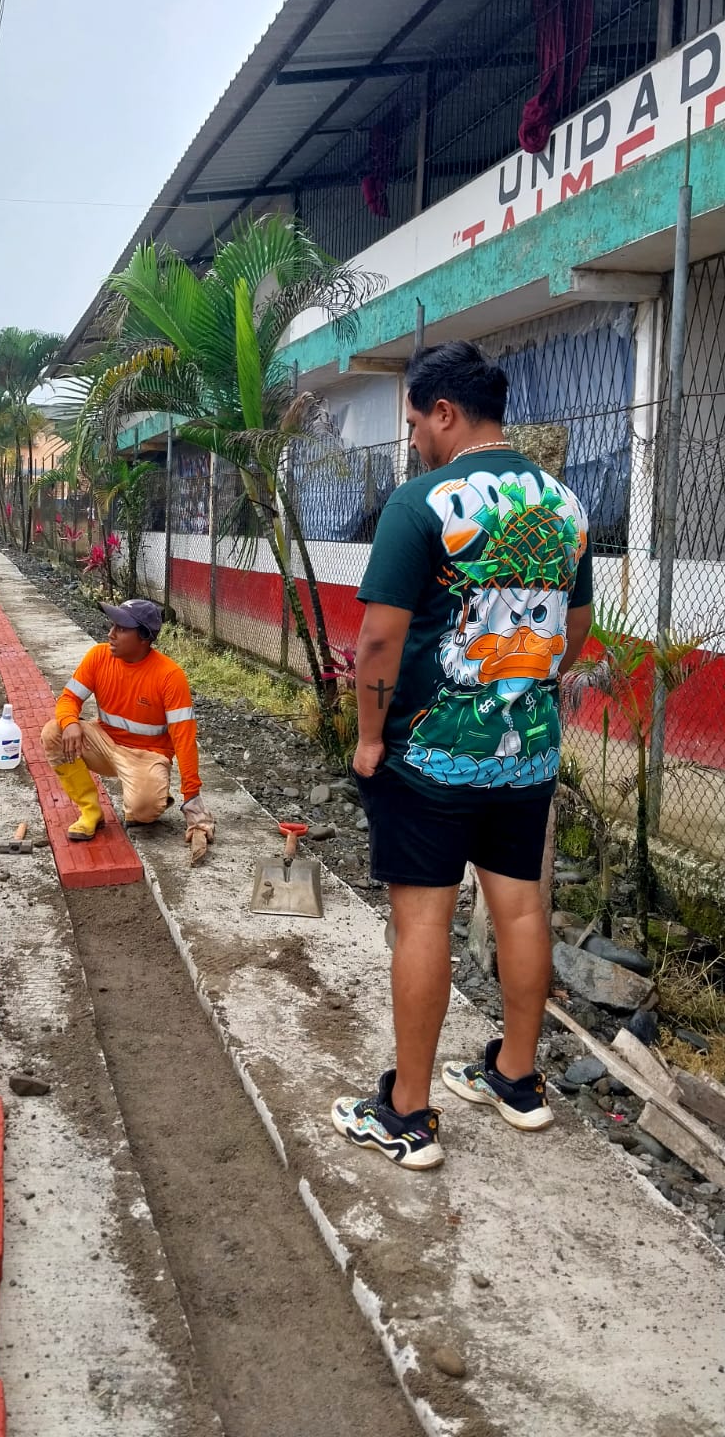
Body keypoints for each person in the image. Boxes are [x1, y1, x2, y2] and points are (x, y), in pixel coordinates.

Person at [331, 341, 593, 1170]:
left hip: (431, 757)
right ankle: (516, 1078)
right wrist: (528, 689)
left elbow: (379, 638)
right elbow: (576, 628)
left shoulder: (422, 503)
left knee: (423, 921)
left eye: (415, 421)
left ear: (445, 412)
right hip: (528, 754)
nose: (413, 439)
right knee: (521, 909)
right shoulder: (566, 505)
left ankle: (407, 1113)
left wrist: (370, 736)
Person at [41, 598, 214, 849]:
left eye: (121, 628)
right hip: (103, 743)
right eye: (113, 625)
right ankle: (90, 811)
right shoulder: (98, 656)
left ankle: (150, 792)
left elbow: (184, 740)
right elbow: (69, 698)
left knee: (143, 812)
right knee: (54, 732)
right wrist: (70, 723)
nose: (111, 634)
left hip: (147, 755)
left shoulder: (169, 677)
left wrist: (192, 798)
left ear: (144, 637)